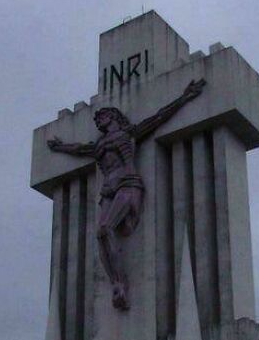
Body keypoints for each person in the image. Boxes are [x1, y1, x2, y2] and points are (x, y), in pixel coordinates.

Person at [48, 78, 206, 310]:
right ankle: (116, 283)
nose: (98, 119)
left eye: (102, 116)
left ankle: (121, 283)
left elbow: (159, 117)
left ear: (113, 117)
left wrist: (185, 96)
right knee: (102, 233)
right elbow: (79, 149)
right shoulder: (98, 145)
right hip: (108, 190)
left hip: (128, 184)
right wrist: (60, 146)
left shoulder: (128, 133)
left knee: (107, 228)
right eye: (97, 118)